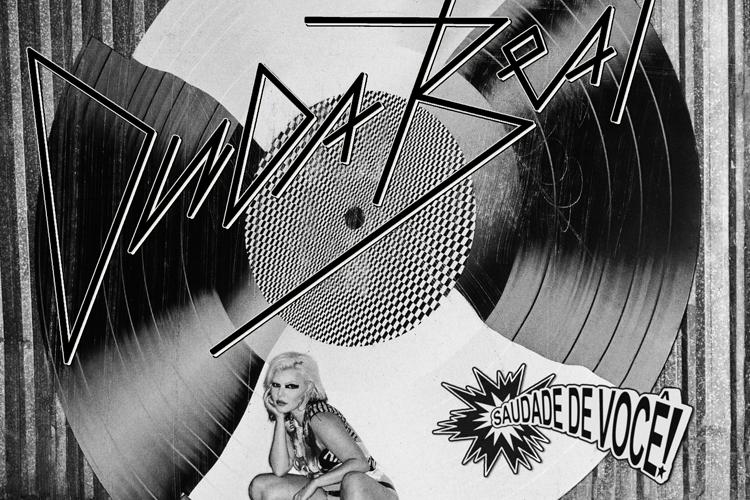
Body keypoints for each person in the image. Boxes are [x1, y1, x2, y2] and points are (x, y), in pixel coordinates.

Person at [249, 352, 398, 500]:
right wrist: (280, 418)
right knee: (261, 486)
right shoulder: (291, 422)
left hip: (368, 490)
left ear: (308, 388)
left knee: (353, 481)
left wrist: (314, 483)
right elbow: (279, 469)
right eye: (276, 385)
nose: (280, 394)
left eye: (290, 386)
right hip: (330, 493)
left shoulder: (320, 418)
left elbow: (360, 463)